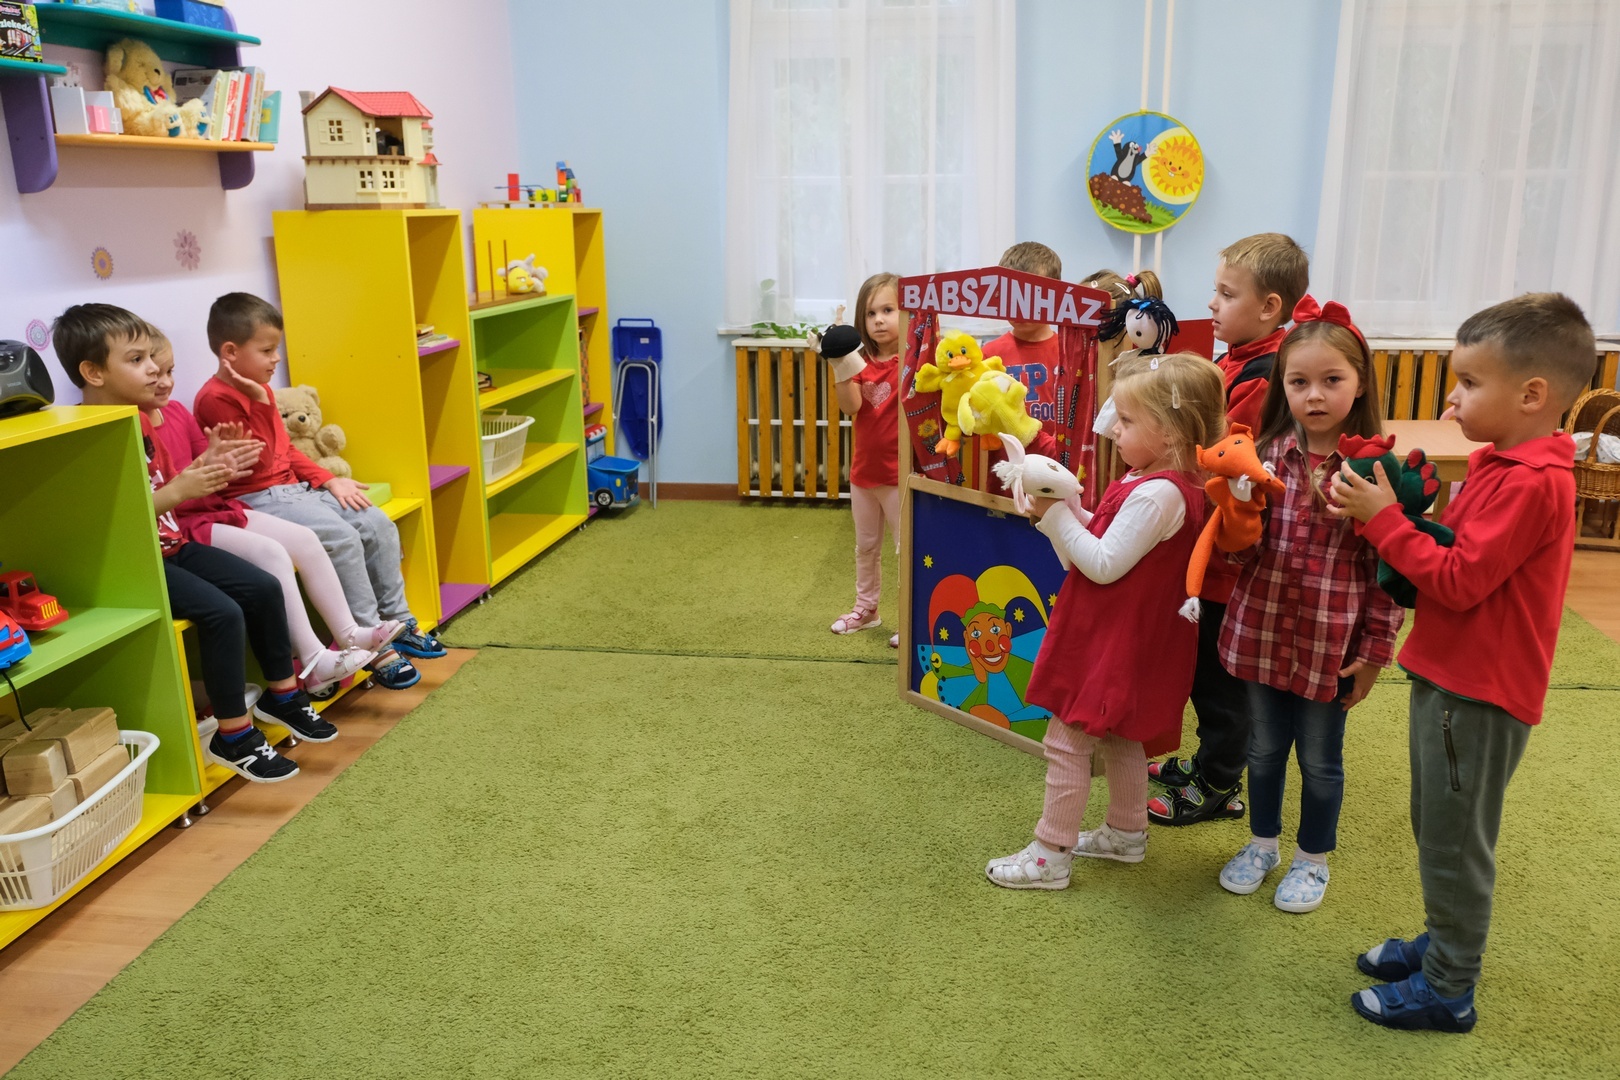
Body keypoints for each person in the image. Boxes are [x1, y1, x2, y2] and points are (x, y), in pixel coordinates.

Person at [1332, 293, 1596, 1032]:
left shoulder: (1533, 482)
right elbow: (1455, 555)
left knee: (1455, 843)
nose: (1452, 400)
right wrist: (1401, 520)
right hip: (1452, 676)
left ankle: (1450, 986)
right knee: (1437, 826)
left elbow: (1457, 580)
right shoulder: (1503, 466)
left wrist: (1385, 522)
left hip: (1478, 693)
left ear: (1532, 395)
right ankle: (1443, 940)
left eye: (1469, 383)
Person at [53, 303, 333, 782]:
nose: (153, 370)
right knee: (223, 613)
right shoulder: (86, 432)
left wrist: (206, 463)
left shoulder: (143, 419)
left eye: (153, 359)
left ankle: (284, 696)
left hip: (171, 543)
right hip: (133, 560)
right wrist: (180, 490)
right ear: (93, 372)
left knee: (264, 586)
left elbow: (165, 481)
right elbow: (110, 521)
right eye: (137, 360)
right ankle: (234, 735)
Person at [984, 353, 1226, 888]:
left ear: (1171, 432)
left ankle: (1050, 855)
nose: (1115, 428)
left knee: (1066, 739)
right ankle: (1126, 832)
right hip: (1131, 635)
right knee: (1121, 736)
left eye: (1128, 420)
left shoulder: (1158, 492)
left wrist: (1055, 515)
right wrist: (1066, 514)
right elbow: (1110, 539)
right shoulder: (1160, 481)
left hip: (1114, 638)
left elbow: (1102, 562)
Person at [1213, 297, 1403, 913]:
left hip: (1330, 644)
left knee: (1321, 761)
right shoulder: (1264, 456)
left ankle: (1312, 858)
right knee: (1264, 749)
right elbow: (1240, 553)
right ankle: (1262, 844)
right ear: (1283, 386)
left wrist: (1375, 653)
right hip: (1263, 631)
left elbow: (1388, 571)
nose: (1314, 395)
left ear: (1360, 383)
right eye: (1298, 382)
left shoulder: (1375, 473)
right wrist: (1235, 521)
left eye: (1331, 380)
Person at [191, 293, 443, 690]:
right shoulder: (216, 399)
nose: (276, 359)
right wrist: (260, 403)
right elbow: (258, 462)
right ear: (230, 352)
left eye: (276, 349)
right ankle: (371, 641)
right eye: (267, 350)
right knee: (342, 537)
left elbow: (287, 450)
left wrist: (327, 478)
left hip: (294, 490)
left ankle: (399, 621)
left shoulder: (260, 389)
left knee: (376, 523)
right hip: (257, 499)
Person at [1148, 233, 1310, 826]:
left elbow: (1217, 452)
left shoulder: (1263, 375)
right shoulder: (1234, 359)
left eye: (1226, 293)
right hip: (1213, 548)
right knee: (1204, 670)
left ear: (1269, 306)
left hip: (1232, 556)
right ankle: (1209, 763)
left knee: (1221, 680)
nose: (1211, 303)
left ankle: (1219, 782)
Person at [144, 325, 394, 695]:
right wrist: (206, 472)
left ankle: (350, 633)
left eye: (170, 371)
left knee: (305, 539)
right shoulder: (146, 422)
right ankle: (314, 658)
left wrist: (224, 461)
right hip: (188, 522)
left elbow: (215, 460)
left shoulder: (178, 411)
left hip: (218, 508)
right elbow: (176, 486)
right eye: (154, 372)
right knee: (273, 553)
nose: (165, 381)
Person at [825, 272, 903, 649]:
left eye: (888, 310)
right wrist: (839, 361)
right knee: (866, 547)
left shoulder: (912, 362)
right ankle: (867, 609)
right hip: (864, 474)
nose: (879, 320)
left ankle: (913, 616)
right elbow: (851, 406)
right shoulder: (860, 363)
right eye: (871, 313)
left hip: (900, 476)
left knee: (907, 550)